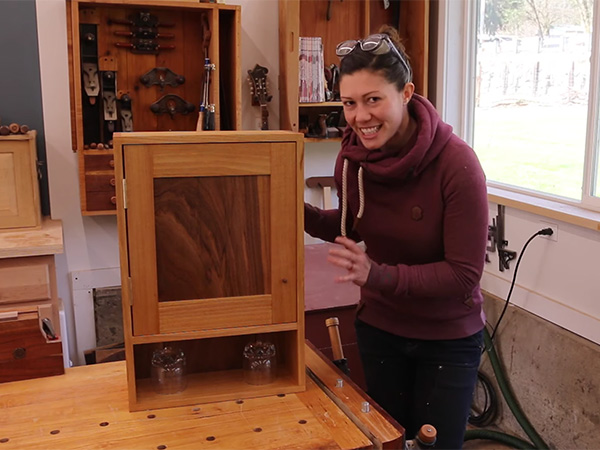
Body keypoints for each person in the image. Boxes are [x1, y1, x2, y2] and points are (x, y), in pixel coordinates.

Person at [304, 26, 488, 449]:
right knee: (386, 442)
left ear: (405, 93)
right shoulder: (353, 157)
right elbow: (353, 223)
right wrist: (303, 215)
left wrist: (377, 276)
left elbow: (463, 275)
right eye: (349, 103)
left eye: (373, 100)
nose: (359, 117)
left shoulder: (456, 164)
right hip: (380, 328)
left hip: (446, 338)